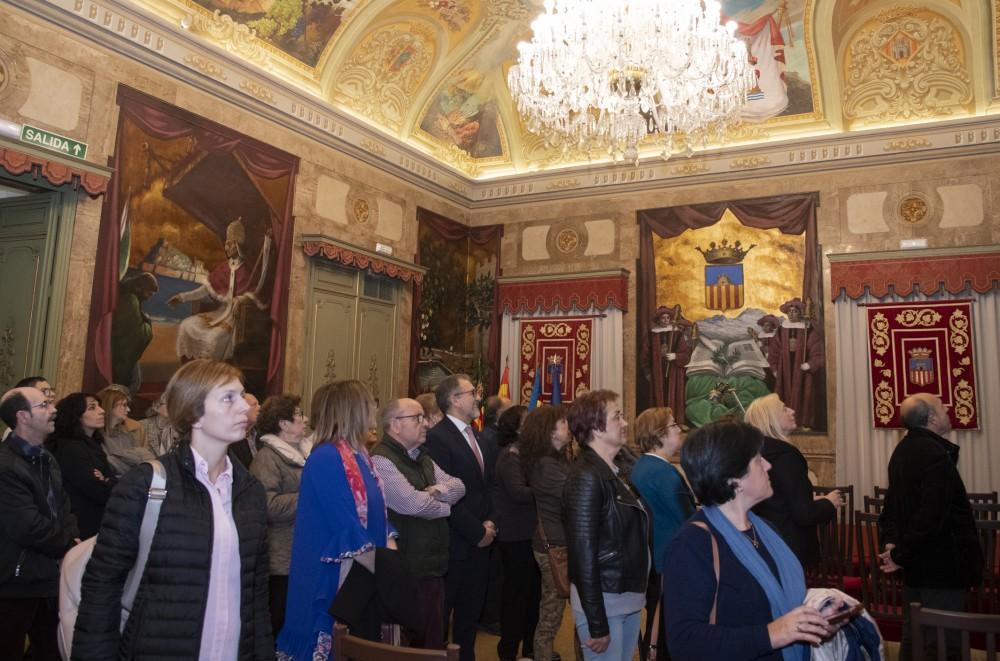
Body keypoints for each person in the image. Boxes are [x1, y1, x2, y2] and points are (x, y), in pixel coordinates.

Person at [72, 359, 273, 660]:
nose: (244, 406)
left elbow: (255, 597)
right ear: (194, 414)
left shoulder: (250, 492)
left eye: (242, 396)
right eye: (228, 398)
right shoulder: (145, 485)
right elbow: (102, 587)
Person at [664, 420, 834, 661]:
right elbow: (685, 642)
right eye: (757, 460)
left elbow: (781, 602)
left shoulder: (766, 530)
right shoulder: (692, 544)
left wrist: (817, 617)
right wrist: (772, 634)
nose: (768, 465)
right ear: (733, 479)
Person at [278, 380, 395, 661]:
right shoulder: (326, 458)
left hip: (364, 573)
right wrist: (389, 571)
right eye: (369, 404)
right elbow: (345, 524)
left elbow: (376, 512)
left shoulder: (361, 456)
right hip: (333, 577)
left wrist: (390, 540)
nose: (374, 410)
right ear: (352, 410)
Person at [879, 393, 982, 661]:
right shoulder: (934, 454)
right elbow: (931, 516)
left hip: (916, 565)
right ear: (932, 418)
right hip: (941, 567)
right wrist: (899, 554)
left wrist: (894, 547)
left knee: (914, 637)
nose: (947, 409)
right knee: (944, 643)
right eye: (942, 408)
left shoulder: (902, 450)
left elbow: (893, 507)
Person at [370, 397, 465, 649]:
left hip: (432, 564)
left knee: (433, 637)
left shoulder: (421, 456)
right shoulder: (382, 460)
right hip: (408, 567)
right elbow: (413, 505)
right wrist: (445, 506)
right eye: (417, 418)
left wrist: (434, 491)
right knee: (413, 642)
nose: (426, 424)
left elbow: (459, 486)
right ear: (395, 424)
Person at [563, 390, 650, 661]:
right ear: (596, 427)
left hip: (625, 596)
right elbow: (582, 555)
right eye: (617, 416)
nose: (625, 422)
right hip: (605, 600)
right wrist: (597, 622)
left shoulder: (616, 471)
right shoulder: (586, 476)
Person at [0, 386, 79, 661]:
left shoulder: (46, 457)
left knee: (53, 651)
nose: (53, 409)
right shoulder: (5, 465)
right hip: (15, 582)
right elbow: (26, 525)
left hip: (47, 577)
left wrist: (72, 539)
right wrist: (69, 544)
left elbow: (63, 506)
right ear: (22, 416)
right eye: (44, 405)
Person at [424, 374, 497, 661]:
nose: (478, 398)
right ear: (454, 399)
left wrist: (490, 523)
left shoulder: (477, 436)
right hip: (454, 544)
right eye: (471, 393)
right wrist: (477, 532)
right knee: (441, 620)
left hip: (482, 542)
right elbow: (442, 494)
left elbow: (489, 487)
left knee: (469, 620)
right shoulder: (437, 438)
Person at [745, 394, 841, 569]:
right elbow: (803, 514)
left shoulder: (752, 453)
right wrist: (829, 503)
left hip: (763, 542)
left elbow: (775, 501)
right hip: (790, 547)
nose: (792, 411)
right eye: (784, 409)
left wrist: (810, 500)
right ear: (771, 419)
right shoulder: (787, 455)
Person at [630, 406, 696, 659]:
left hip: (655, 558)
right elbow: (688, 518)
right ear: (659, 434)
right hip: (669, 560)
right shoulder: (663, 472)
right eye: (673, 425)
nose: (680, 429)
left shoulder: (643, 466)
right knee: (667, 631)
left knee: (658, 624)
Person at [248, 394, 311, 637]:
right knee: (280, 622)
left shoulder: (304, 452)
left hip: (301, 551)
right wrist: (310, 497)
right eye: (299, 415)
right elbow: (267, 505)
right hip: (281, 558)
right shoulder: (267, 457)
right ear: (284, 424)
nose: (305, 419)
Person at [168, 218, 270, 362]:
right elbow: (204, 290)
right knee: (186, 325)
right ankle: (192, 367)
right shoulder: (222, 268)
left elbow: (256, 294)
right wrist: (181, 297)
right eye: (226, 244)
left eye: (229, 244)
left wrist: (240, 300)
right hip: (219, 313)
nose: (226, 248)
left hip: (236, 318)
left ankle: (210, 370)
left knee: (213, 338)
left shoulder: (248, 270)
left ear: (237, 245)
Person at [521, 404, 571, 661]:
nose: (568, 427)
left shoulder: (556, 460)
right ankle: (542, 655)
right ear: (550, 432)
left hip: (560, 542)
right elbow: (574, 495)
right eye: (563, 423)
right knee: (551, 612)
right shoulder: (545, 465)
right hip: (554, 546)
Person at [492, 405, 540, 661]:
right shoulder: (510, 457)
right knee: (516, 597)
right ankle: (508, 651)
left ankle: (530, 648)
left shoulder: (526, 454)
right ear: (517, 428)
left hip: (530, 534)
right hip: (515, 537)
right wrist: (546, 488)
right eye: (528, 421)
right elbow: (518, 493)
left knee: (533, 596)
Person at [46, 393, 117, 539]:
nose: (102, 411)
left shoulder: (92, 444)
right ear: (76, 415)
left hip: (97, 520)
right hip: (81, 525)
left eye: (99, 406)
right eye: (92, 407)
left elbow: (112, 482)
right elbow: (99, 491)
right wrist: (105, 481)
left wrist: (106, 480)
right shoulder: (70, 448)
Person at [767, 298, 824, 430]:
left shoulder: (808, 330)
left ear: (800, 313)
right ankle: (783, 423)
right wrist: (774, 369)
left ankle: (803, 422)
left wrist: (809, 364)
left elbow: (817, 351)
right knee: (783, 396)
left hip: (803, 370)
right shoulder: (781, 330)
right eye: (790, 311)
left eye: (795, 311)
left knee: (804, 395)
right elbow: (774, 351)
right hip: (784, 369)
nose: (792, 314)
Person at [646, 305, 693, 427]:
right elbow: (645, 355)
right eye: (663, 318)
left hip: (674, 373)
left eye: (668, 318)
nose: (666, 320)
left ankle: (676, 423)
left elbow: (685, 354)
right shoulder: (652, 335)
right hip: (658, 372)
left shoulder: (677, 334)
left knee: (674, 395)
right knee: (659, 396)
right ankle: (659, 423)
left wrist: (676, 356)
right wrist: (648, 372)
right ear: (658, 320)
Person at [97, 386, 153, 477]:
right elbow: (107, 465)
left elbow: (147, 458)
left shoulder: (127, 434)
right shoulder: (97, 435)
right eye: (123, 405)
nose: (128, 409)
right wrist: (133, 458)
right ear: (110, 405)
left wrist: (118, 457)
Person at [229, 393, 261, 468]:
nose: (260, 408)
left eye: (258, 404)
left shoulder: (260, 434)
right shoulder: (231, 439)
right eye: (254, 404)